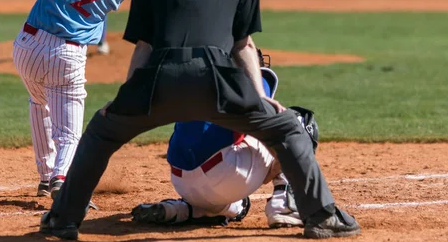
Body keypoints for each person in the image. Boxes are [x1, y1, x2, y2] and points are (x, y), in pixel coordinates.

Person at [40, 0, 361, 240]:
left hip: (157, 81)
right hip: (218, 81)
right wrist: (260, 98)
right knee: (289, 128)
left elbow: (144, 49)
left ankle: (63, 220)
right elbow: (243, 47)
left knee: (101, 132)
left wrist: (126, 98)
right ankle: (321, 217)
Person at [12, 0, 159, 200]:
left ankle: (45, 176)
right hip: (66, 54)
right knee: (68, 131)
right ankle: (60, 179)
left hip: (26, 45)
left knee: (39, 102)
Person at [131, 50, 315, 228]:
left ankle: (192, 209)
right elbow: (269, 128)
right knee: (297, 121)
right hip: (227, 176)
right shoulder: (250, 79)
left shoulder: (192, 78)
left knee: (219, 148)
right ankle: (284, 205)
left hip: (181, 181)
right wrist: (280, 165)